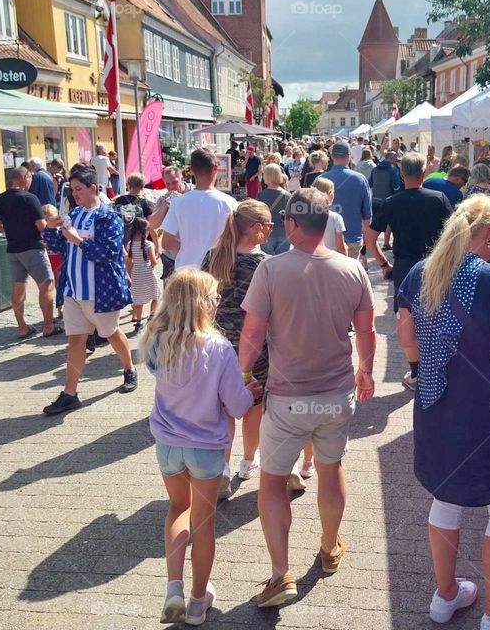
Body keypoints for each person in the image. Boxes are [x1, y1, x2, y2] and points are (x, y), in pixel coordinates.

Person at [395, 195, 490, 628]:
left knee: (444, 499)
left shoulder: (420, 274)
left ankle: (444, 598)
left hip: (435, 405)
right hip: (488, 413)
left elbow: (408, 343)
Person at [238, 188, 376, 607]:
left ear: (292, 225)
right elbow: (367, 331)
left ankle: (281, 575)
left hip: (286, 398)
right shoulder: (353, 270)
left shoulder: (271, 271)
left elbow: (254, 333)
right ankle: (330, 548)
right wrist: (365, 371)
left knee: (273, 482)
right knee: (331, 470)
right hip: (335, 393)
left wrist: (242, 374)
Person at [138, 269, 259, 625]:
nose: (218, 301)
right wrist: (248, 392)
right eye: (214, 296)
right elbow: (236, 407)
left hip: (167, 443)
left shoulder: (156, 340)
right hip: (206, 447)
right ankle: (196, 602)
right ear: (201, 303)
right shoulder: (218, 348)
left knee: (177, 509)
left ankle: (173, 587)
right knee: (203, 525)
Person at [42, 167, 138, 414]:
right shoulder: (74, 214)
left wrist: (79, 241)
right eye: (72, 190)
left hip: (100, 292)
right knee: (76, 341)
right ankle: (69, 394)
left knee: (111, 333)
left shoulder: (108, 216)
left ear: (93, 188)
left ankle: (129, 368)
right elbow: (56, 246)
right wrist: (50, 228)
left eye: (79, 190)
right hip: (74, 290)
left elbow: (109, 253)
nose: (74, 195)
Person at [201, 200, 273, 499]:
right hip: (256, 348)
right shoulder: (266, 264)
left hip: (218, 346)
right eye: (268, 225)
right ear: (256, 229)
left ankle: (224, 468)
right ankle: (248, 461)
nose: (271, 230)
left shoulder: (213, 257)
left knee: (223, 408)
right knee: (254, 404)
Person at [366, 152, 453, 391]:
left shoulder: (391, 202)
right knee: (439, 317)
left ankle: (417, 372)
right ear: (423, 173)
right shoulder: (440, 199)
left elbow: (370, 238)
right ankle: (437, 369)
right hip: (437, 267)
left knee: (407, 321)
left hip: (406, 268)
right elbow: (456, 236)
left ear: (402, 174)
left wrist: (384, 264)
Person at [0, 167, 59, 339]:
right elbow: (41, 226)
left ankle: (22, 327)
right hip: (33, 247)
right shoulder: (30, 198)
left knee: (18, 287)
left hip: (13, 249)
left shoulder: (0, 199)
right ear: (24, 178)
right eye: (30, 178)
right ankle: (48, 326)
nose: (31, 181)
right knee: (46, 284)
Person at [162, 150, 238, 270]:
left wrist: (189, 248)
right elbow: (235, 240)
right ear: (215, 168)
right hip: (217, 269)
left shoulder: (178, 203)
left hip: (186, 270)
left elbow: (167, 242)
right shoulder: (229, 203)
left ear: (191, 170)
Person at [321, 142, 372, 261]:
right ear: (349, 156)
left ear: (332, 157)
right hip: (353, 236)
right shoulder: (360, 179)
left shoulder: (321, 180)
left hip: (325, 239)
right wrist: (366, 235)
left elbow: (311, 211)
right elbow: (367, 213)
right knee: (349, 275)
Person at [149, 166, 189, 282]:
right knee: (171, 297)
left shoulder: (193, 193)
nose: (171, 187)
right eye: (167, 184)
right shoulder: (163, 198)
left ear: (182, 179)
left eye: (175, 182)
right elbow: (152, 224)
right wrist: (164, 207)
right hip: (171, 257)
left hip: (191, 255)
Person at [126, 216, 161, 328]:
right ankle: (152, 316)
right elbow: (154, 262)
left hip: (136, 274)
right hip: (148, 273)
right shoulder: (148, 244)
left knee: (138, 300)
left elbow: (130, 261)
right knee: (155, 295)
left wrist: (130, 275)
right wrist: (157, 255)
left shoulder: (130, 244)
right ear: (143, 231)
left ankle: (138, 321)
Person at [255, 164, 292, 256]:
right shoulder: (288, 196)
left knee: (267, 261)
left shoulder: (261, 195)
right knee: (281, 262)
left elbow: (256, 215)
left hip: (267, 231)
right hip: (284, 232)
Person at [311, 177, 347, 255]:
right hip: (330, 260)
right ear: (329, 194)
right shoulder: (336, 218)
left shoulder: (304, 216)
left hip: (309, 260)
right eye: (333, 192)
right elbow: (341, 248)